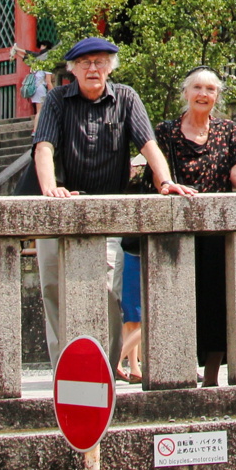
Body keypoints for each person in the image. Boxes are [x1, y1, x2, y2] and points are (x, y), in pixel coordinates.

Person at [31, 37, 194, 363]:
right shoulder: (57, 99)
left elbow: (148, 145)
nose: (93, 68)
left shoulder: (126, 98)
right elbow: (44, 147)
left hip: (106, 210)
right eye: (85, 63)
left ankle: (103, 367)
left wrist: (165, 181)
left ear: (110, 66)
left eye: (100, 62)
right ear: (73, 68)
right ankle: (62, 369)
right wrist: (50, 189)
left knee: (105, 290)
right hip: (57, 204)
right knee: (53, 289)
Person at [154, 67, 236, 386]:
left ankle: (213, 375)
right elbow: (157, 174)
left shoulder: (227, 130)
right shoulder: (167, 131)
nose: (203, 94)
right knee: (179, 302)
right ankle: (180, 371)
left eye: (210, 89)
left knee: (216, 303)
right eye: (197, 88)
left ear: (217, 96)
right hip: (177, 229)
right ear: (185, 93)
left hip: (216, 232)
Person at [18, 40, 54, 124]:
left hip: (34, 88)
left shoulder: (35, 64)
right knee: (40, 111)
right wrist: (53, 93)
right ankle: (35, 130)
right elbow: (48, 82)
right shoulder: (46, 64)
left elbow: (26, 58)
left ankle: (38, 129)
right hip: (41, 88)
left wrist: (17, 51)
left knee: (40, 110)